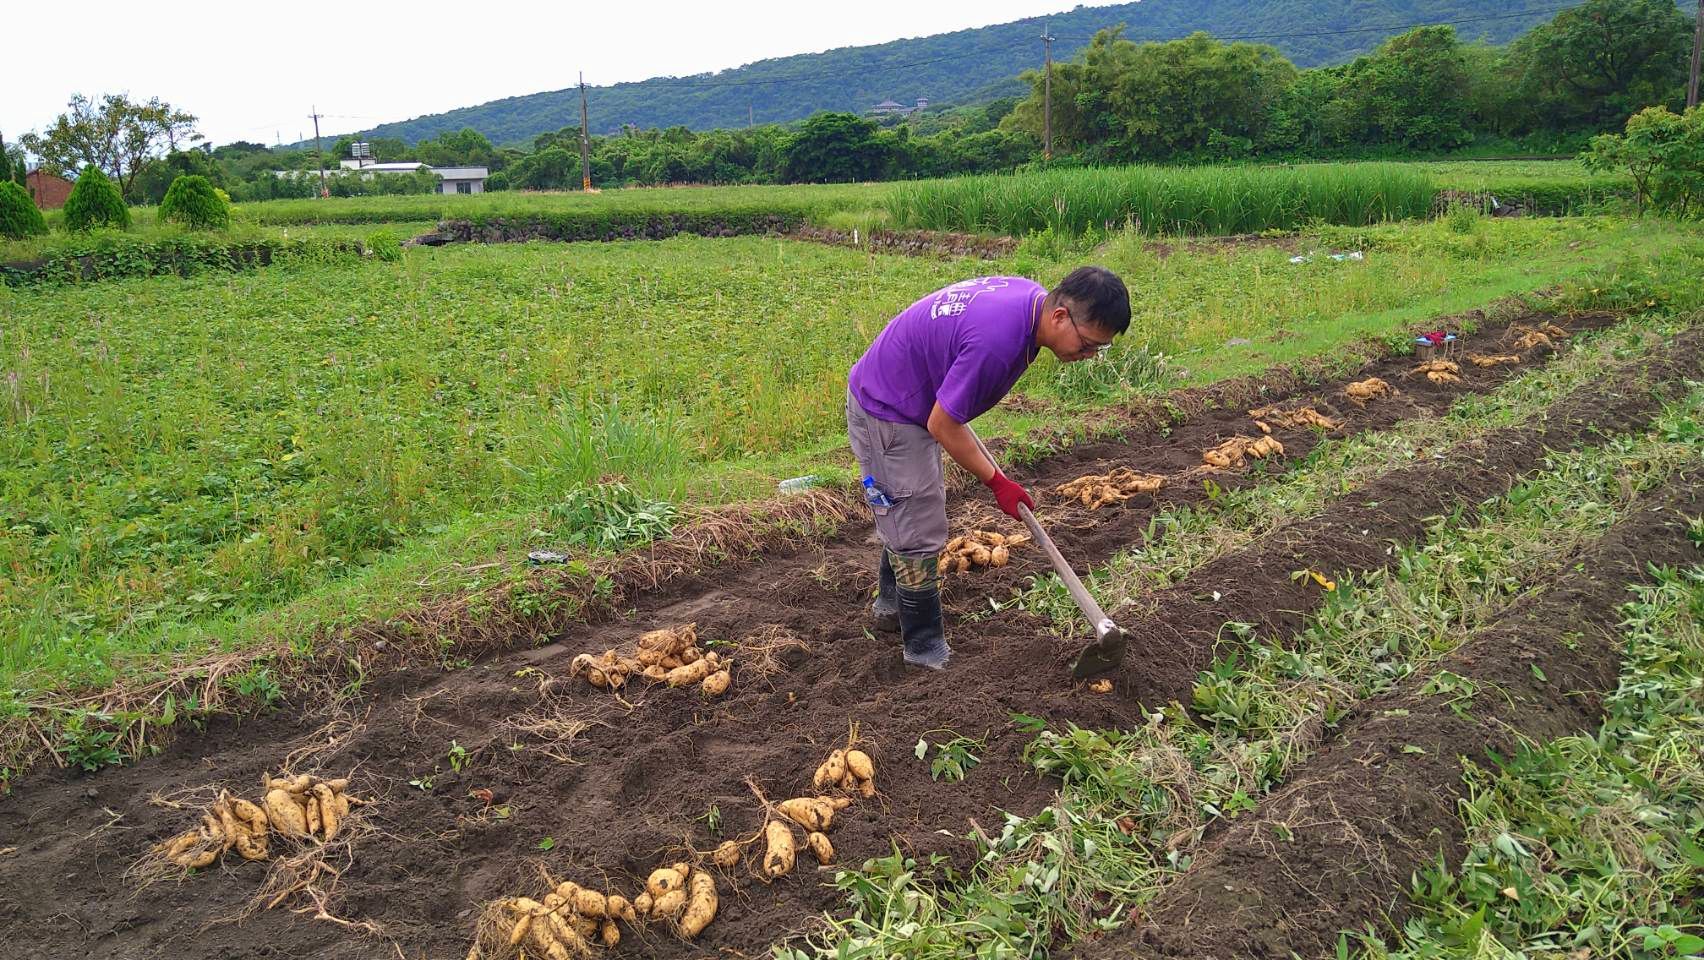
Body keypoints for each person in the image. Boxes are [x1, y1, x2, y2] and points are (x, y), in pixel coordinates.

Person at [845, 267, 1132, 669]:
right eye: (1087, 345)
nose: (1087, 357)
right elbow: (943, 424)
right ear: (1060, 316)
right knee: (916, 520)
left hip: (913, 393)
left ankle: (892, 607)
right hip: (887, 407)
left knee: (911, 510)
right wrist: (998, 482)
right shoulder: (998, 343)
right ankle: (923, 648)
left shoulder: (1031, 301)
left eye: (1097, 350)